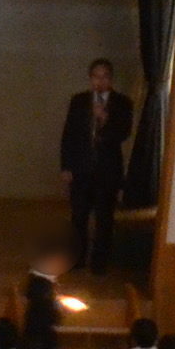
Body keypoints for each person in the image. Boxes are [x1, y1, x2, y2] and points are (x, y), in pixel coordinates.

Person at [58, 58, 135, 273]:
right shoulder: (79, 101)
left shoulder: (123, 103)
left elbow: (123, 134)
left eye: (104, 77)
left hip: (108, 170)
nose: (100, 81)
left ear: (111, 79)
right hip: (81, 168)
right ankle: (77, 259)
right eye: (96, 77)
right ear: (90, 78)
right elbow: (68, 135)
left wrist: (104, 119)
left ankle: (99, 263)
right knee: (78, 216)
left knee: (104, 219)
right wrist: (66, 166)